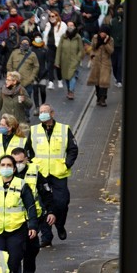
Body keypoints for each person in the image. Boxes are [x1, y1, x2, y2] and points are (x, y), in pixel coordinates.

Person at [27, 104, 78, 245]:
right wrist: (33, 165)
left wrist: (66, 164)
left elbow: (73, 149)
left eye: (45, 112)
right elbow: (28, 150)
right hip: (41, 173)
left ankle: (60, 225)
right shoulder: (34, 130)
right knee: (43, 204)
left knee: (62, 203)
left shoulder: (64, 129)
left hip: (58, 173)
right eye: (41, 112)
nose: (42, 114)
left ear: (52, 113)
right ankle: (46, 236)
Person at [0, 112, 29, 178]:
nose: (0, 127)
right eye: (0, 124)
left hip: (14, 178)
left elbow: (25, 162)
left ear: (10, 127)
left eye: (2, 125)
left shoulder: (22, 141)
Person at [56, 22, 85, 100]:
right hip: (64, 60)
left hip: (74, 60)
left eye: (71, 25)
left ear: (74, 26)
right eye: (68, 25)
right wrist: (57, 61)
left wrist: (77, 58)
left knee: (72, 75)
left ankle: (71, 91)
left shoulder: (78, 37)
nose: (70, 27)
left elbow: (81, 50)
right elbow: (59, 49)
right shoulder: (63, 37)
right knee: (67, 76)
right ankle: (69, 90)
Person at [89, 25, 116, 107]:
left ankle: (103, 98)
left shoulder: (110, 40)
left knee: (104, 82)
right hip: (96, 62)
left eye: (104, 32)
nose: (102, 34)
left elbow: (111, 51)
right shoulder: (95, 37)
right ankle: (98, 96)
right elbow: (93, 47)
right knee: (97, 81)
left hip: (105, 62)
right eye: (101, 32)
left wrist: (105, 43)